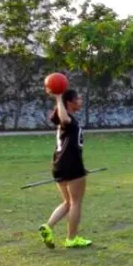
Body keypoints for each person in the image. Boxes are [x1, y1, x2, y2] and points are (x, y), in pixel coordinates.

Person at [38, 89, 92, 249]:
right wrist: (58, 97)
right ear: (71, 102)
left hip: (61, 165)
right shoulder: (66, 120)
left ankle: (48, 227)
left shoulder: (66, 122)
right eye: (79, 98)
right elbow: (64, 118)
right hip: (70, 165)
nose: (81, 101)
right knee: (76, 203)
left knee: (68, 202)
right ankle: (72, 238)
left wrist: (82, 168)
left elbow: (72, 147)